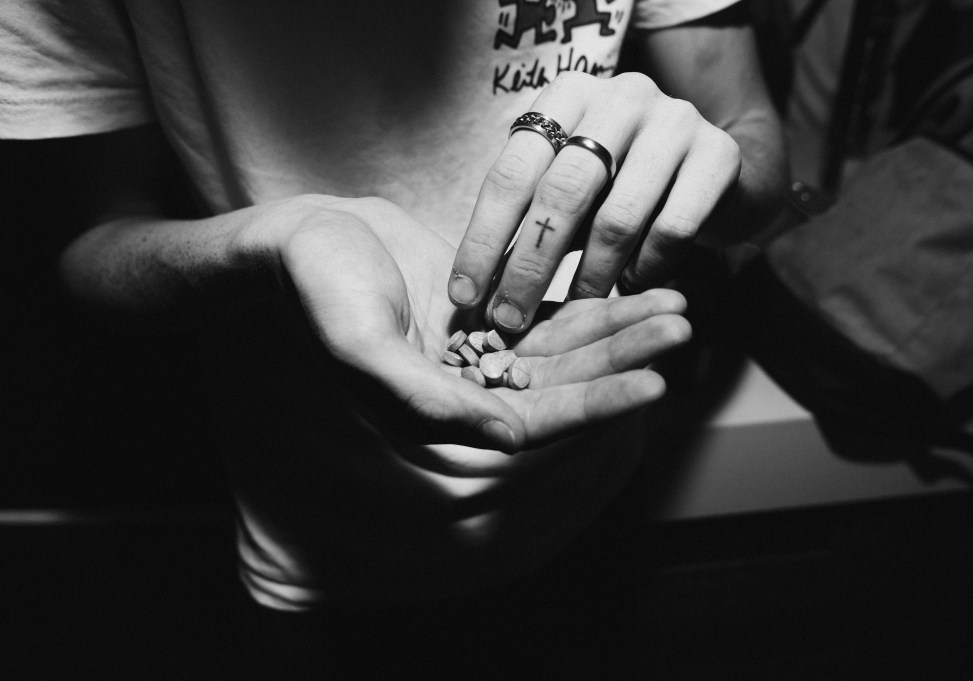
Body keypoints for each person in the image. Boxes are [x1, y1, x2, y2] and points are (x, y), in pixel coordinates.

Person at [1, 0, 786, 676]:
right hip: (323, 556)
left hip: (594, 493)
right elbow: (88, 251)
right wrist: (273, 242)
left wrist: (707, 171)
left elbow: (757, 152)